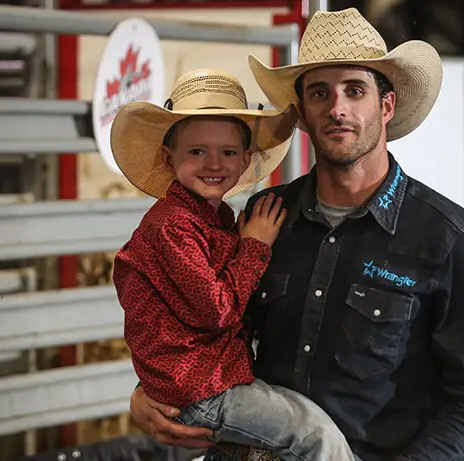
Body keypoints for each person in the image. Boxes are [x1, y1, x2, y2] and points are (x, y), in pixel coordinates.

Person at [129, 9, 464, 461]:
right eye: (319, 93)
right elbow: (205, 323)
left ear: (385, 106)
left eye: (355, 90)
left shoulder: (448, 239)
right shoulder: (266, 218)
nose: (337, 108)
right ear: (303, 114)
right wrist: (147, 393)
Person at [110, 68, 359, 461]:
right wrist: (255, 247)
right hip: (203, 390)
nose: (214, 163)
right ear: (168, 156)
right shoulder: (174, 226)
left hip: (211, 383)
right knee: (314, 435)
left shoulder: (218, 218)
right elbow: (217, 310)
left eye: (227, 152)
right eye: (197, 151)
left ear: (245, 160)